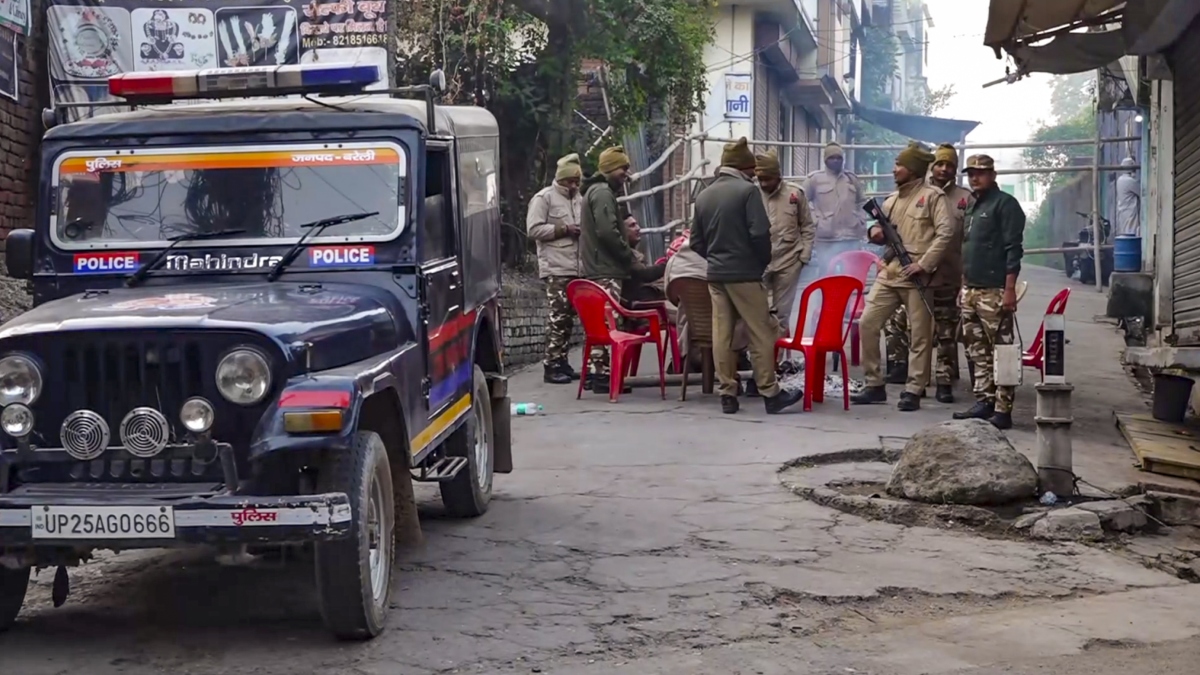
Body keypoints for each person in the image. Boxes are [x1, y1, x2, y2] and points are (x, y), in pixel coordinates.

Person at [690, 138, 803, 415]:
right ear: (743, 167)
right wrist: (760, 262)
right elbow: (759, 234)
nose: (755, 173)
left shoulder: (704, 195)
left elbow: (696, 241)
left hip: (716, 275)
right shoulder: (747, 192)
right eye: (752, 168)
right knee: (761, 331)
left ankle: (727, 393)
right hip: (745, 275)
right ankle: (770, 392)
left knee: (722, 334)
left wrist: (716, 260)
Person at [850, 142, 954, 411]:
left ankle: (913, 389)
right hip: (891, 272)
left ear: (913, 169)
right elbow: (882, 232)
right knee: (867, 324)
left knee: (920, 336)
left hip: (918, 277)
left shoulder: (933, 197)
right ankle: (874, 384)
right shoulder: (891, 200)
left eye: (900, 165)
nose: (894, 170)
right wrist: (874, 233)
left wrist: (925, 264)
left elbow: (946, 233)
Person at [881, 143, 971, 402]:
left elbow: (968, 239)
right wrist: (885, 259)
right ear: (932, 166)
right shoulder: (913, 193)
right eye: (940, 164)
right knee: (908, 326)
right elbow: (898, 234)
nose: (944, 169)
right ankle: (905, 372)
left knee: (945, 330)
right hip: (914, 275)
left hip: (949, 274)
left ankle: (944, 381)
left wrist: (966, 277)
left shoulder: (965, 199)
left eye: (949, 165)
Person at [953, 154, 1026, 430]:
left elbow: (1013, 249)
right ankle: (984, 401)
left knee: (1002, 350)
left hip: (995, 290)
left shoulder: (1005, 205)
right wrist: (963, 286)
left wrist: (1009, 290)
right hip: (971, 289)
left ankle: (1003, 409)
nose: (975, 177)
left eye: (981, 172)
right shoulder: (973, 205)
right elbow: (967, 249)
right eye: (971, 173)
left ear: (993, 175)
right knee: (976, 350)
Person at [580, 146, 637, 394]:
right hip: (606, 267)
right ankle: (603, 376)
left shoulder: (594, 191)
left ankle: (596, 374)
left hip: (597, 265)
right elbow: (607, 231)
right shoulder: (603, 193)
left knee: (599, 322)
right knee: (609, 322)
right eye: (623, 168)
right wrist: (627, 255)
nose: (626, 173)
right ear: (611, 169)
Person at [527, 153, 584, 385]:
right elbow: (533, 230)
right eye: (569, 181)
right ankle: (551, 364)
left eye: (576, 182)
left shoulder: (579, 199)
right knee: (557, 318)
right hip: (556, 267)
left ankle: (562, 360)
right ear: (560, 179)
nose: (573, 185)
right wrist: (563, 229)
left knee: (569, 319)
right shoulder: (544, 199)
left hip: (576, 267)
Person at [755, 150, 816, 336]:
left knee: (782, 314)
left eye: (768, 179)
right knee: (756, 312)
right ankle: (757, 356)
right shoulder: (751, 194)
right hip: (758, 263)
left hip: (789, 261)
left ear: (778, 176)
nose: (764, 183)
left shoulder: (795, 194)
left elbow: (807, 226)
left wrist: (803, 257)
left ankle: (778, 359)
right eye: (761, 179)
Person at [799, 142, 866, 289]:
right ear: (825, 160)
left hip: (851, 236)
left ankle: (847, 309)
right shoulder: (814, 180)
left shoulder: (851, 179)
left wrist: (860, 219)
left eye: (839, 158)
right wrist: (816, 220)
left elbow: (862, 202)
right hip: (826, 238)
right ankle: (824, 307)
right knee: (825, 275)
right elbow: (802, 203)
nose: (836, 160)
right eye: (832, 158)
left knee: (850, 276)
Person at [620, 211, 667, 306]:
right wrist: (669, 264)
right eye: (632, 226)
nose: (638, 228)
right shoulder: (623, 253)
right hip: (635, 303)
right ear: (622, 232)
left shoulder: (629, 251)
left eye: (637, 224)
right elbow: (645, 274)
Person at [1115, 156, 1140, 237]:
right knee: (1131, 232)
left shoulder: (1120, 180)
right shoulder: (1130, 181)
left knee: (1125, 232)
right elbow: (1141, 192)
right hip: (1130, 211)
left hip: (1122, 210)